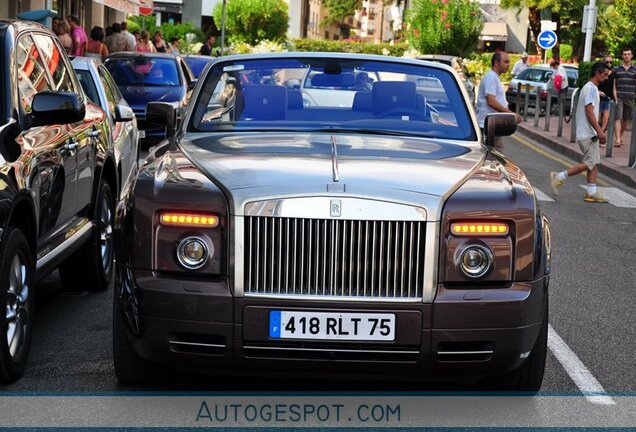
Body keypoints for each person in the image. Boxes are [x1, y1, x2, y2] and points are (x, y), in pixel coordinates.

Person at [550, 61, 610, 203]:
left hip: (588, 133)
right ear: (597, 73)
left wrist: (598, 93)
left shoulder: (592, 88)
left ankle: (591, 192)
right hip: (588, 134)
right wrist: (599, 131)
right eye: (605, 75)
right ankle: (559, 176)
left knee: (594, 162)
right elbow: (589, 111)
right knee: (590, 162)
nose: (607, 78)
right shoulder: (590, 89)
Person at [475, 51, 522, 150]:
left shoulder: (494, 77)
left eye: (509, 62)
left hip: (492, 126)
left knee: (495, 157)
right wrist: (510, 114)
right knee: (495, 157)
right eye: (505, 62)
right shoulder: (491, 77)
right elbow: (491, 101)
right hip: (487, 125)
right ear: (496, 63)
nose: (508, 65)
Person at [613, 47, 636, 147]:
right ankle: (617, 139)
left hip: (630, 96)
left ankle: (620, 136)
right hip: (619, 96)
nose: (627, 56)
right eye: (625, 54)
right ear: (622, 56)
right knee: (618, 117)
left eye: (628, 54)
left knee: (625, 119)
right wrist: (615, 96)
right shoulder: (616, 69)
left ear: (631, 56)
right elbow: (613, 84)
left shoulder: (635, 69)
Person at [597, 55, 617, 140]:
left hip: (609, 99)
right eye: (607, 62)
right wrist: (597, 92)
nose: (609, 64)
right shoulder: (599, 72)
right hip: (599, 99)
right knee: (597, 120)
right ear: (603, 62)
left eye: (610, 62)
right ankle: (597, 134)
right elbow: (594, 85)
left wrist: (616, 100)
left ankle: (601, 138)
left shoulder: (613, 73)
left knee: (605, 121)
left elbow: (614, 88)